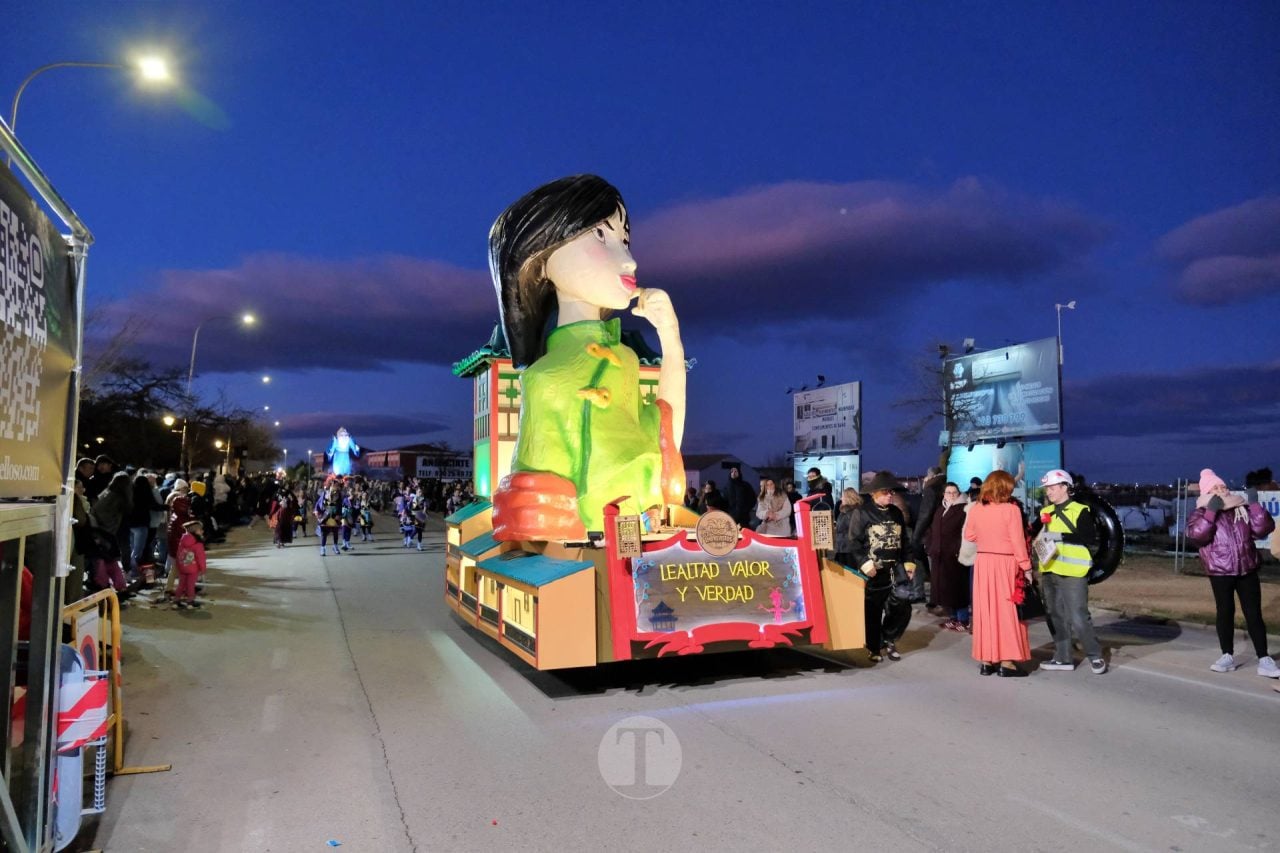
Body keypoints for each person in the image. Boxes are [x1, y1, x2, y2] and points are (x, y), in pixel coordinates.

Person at [488, 174, 686, 539]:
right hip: (585, 551)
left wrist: (670, 340)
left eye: (624, 239)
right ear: (541, 259)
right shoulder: (543, 378)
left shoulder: (625, 359)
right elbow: (535, 508)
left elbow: (664, 435)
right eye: (600, 235)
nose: (629, 260)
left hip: (642, 539)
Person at [1185, 468, 1277, 677]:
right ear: (1207, 491)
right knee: (1225, 613)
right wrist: (1211, 513)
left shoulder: (1241, 508)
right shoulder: (1200, 512)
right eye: (1216, 487)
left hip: (1247, 568)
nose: (1222, 490)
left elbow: (1263, 529)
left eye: (1223, 486)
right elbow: (1198, 536)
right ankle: (1227, 655)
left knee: (1253, 614)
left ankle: (1264, 659)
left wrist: (1254, 506)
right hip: (1220, 571)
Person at [1031, 469, 1107, 674]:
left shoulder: (1080, 510)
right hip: (1050, 571)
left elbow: (1088, 538)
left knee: (1078, 616)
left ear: (1065, 487)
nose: (1049, 492)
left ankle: (1095, 655)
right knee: (1055, 615)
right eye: (1047, 488)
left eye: (1053, 488)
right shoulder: (1044, 513)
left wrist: (1059, 536)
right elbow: (1033, 533)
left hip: (1073, 572)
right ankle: (1063, 657)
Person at [964, 470, 1032, 677]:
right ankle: (1006, 661)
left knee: (985, 612)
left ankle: (986, 660)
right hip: (1005, 562)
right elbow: (1018, 541)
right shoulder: (1011, 510)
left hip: (983, 562)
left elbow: (969, 535)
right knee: (1006, 613)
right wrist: (1027, 567)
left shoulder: (976, 508)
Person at [845, 471, 916, 662]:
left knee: (902, 605)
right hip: (874, 570)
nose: (889, 495)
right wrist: (864, 563)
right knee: (873, 610)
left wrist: (909, 564)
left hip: (896, 567)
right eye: (885, 492)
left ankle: (889, 638)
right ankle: (874, 646)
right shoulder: (862, 512)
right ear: (873, 493)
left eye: (891, 492)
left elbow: (905, 541)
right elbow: (853, 542)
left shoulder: (896, 513)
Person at [926, 481, 971, 631]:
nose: (951, 495)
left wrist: (958, 549)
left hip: (955, 556)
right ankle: (953, 618)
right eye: (948, 492)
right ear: (944, 494)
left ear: (959, 494)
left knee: (958, 589)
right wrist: (930, 546)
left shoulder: (963, 509)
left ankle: (963, 620)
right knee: (945, 590)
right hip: (939, 555)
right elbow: (932, 530)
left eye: (954, 492)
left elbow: (966, 532)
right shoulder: (940, 509)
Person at [912, 466, 944, 609]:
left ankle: (937, 599)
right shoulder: (944, 485)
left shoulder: (931, 489)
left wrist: (916, 536)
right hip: (945, 532)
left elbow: (925, 514)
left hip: (932, 534)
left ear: (931, 476)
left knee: (934, 568)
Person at [174, 519, 207, 609]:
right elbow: (201, 558)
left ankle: (176, 601)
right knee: (190, 585)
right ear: (195, 531)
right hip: (193, 568)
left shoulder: (182, 541)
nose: (202, 531)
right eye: (201, 529)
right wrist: (203, 569)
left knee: (181, 584)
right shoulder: (198, 544)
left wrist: (178, 565)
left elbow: (178, 554)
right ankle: (190, 602)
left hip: (182, 566)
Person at [833, 487, 863, 566]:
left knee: (851, 574)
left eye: (842, 496)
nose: (841, 498)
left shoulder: (855, 512)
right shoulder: (843, 511)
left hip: (849, 550)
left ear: (848, 497)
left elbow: (855, 531)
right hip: (842, 548)